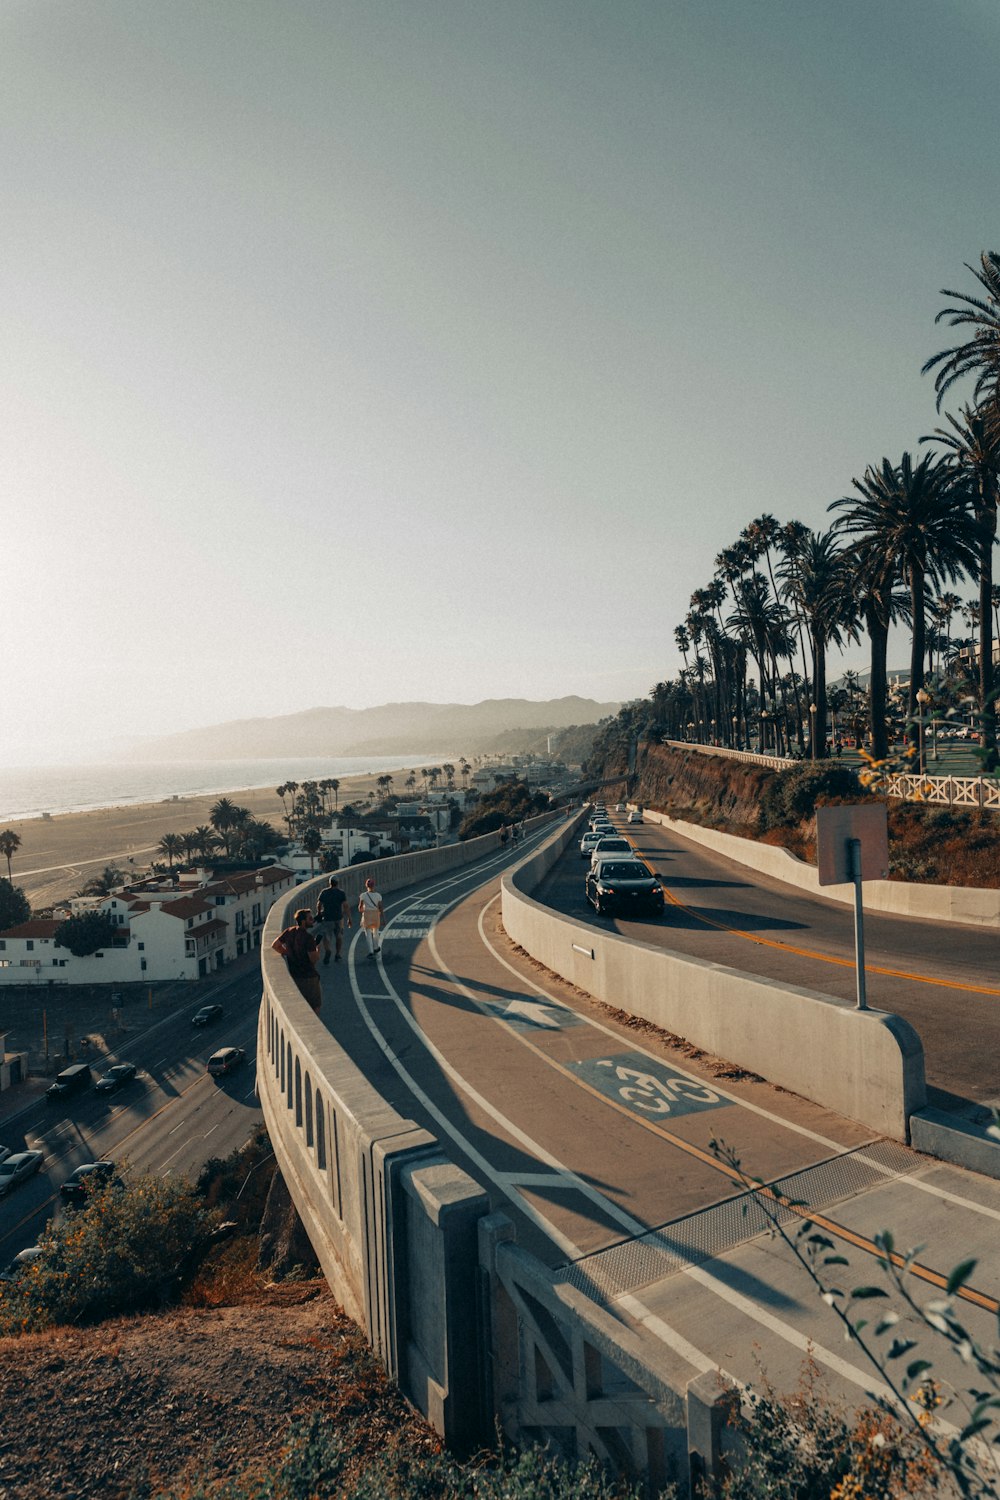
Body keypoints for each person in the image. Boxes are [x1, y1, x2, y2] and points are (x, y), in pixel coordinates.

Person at [271, 908, 323, 1011]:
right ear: (303, 922)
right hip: (308, 977)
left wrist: (288, 953)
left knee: (300, 1005)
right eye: (310, 918)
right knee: (315, 1006)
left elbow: (275, 945)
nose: (313, 920)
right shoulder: (308, 938)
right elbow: (314, 959)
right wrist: (318, 949)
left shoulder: (289, 931)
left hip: (294, 975)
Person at [315, 875, 352, 963]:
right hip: (339, 918)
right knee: (339, 936)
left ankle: (328, 949)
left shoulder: (324, 892)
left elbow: (319, 904)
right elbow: (345, 906)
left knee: (327, 937)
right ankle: (337, 954)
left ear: (329, 883)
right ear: (337, 883)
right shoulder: (341, 893)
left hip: (327, 918)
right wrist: (349, 918)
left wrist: (319, 912)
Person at [358, 877, 384, 959]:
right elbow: (380, 907)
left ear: (366, 886)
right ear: (374, 885)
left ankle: (370, 951)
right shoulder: (378, 896)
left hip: (367, 915)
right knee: (375, 932)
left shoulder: (363, 895)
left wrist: (363, 910)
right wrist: (383, 918)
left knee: (368, 933)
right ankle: (376, 947)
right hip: (376, 915)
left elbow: (360, 908)